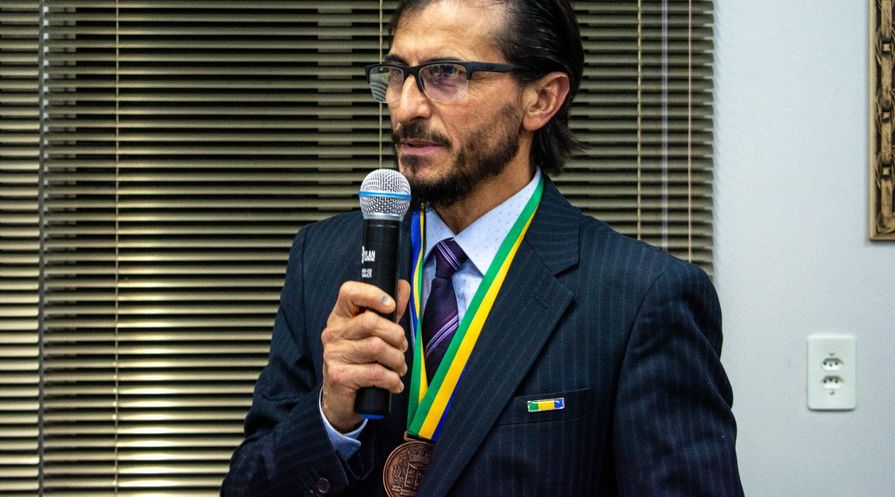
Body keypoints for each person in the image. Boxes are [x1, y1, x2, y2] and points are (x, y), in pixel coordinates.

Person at [223, 0, 744, 495]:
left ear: (541, 99)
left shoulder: (640, 298)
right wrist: (331, 417)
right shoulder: (322, 258)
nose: (406, 107)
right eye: (398, 73)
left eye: (446, 73)